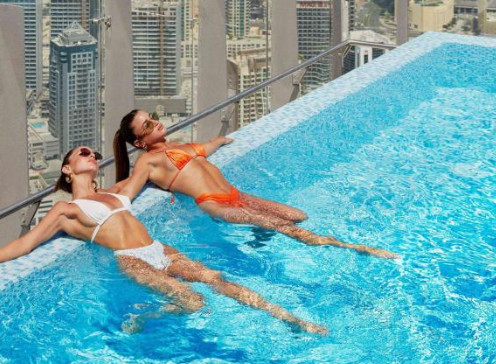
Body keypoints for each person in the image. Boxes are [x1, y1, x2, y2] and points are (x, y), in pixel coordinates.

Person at [0, 146, 326, 335]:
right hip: (133, 258)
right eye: (82, 153)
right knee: (193, 303)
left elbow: (151, 167)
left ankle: (290, 321)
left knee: (221, 282)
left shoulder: (115, 194)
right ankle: (143, 318)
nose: (90, 155)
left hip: (160, 248)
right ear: (67, 169)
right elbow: (27, 245)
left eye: (93, 153)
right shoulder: (67, 210)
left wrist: (188, 155)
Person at [114, 109, 399, 259]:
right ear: (140, 142)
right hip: (216, 206)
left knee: (297, 215)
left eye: (152, 117)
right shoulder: (147, 162)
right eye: (147, 126)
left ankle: (258, 235)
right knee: (285, 227)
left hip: (238, 196)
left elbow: (202, 150)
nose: (155, 123)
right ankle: (357, 249)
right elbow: (128, 189)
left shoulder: (177, 145)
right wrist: (99, 196)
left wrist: (220, 141)